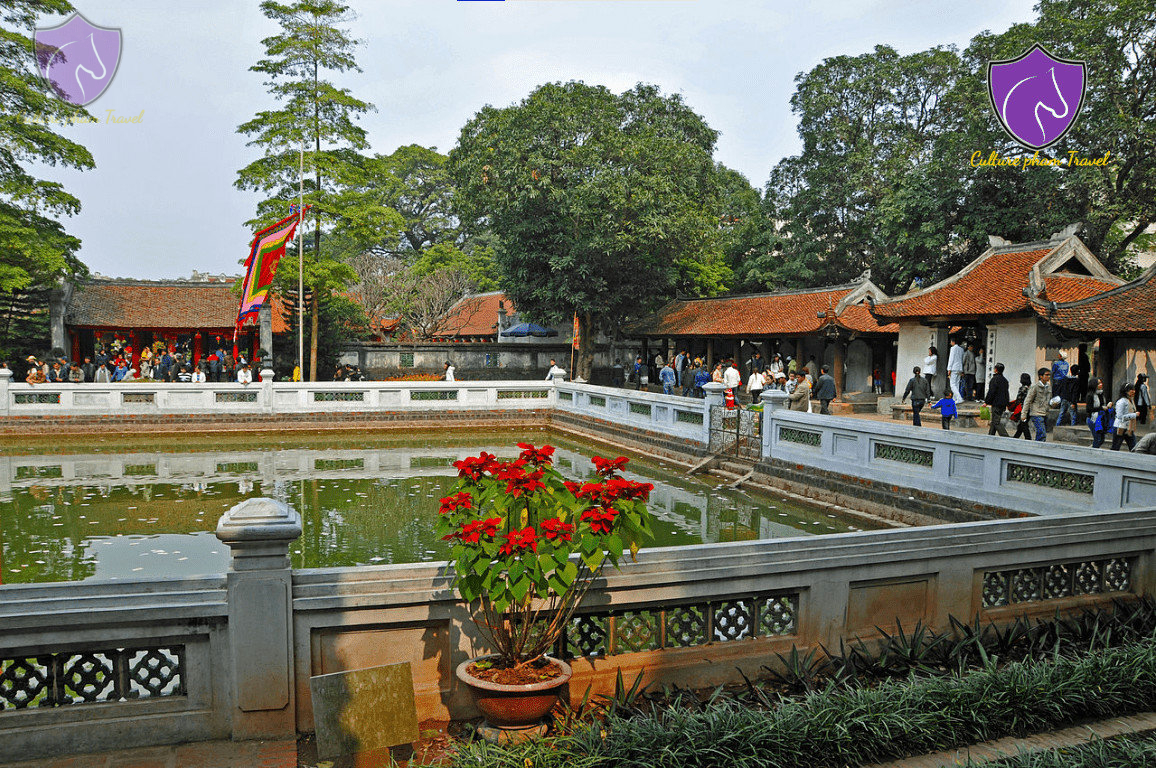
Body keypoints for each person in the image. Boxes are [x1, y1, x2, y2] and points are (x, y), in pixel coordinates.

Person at [1021, 368, 1053, 442]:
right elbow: (1027, 400)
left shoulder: (1048, 387)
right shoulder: (1035, 387)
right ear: (1041, 376)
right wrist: (1024, 414)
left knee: (1041, 433)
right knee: (1042, 433)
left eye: (1049, 375)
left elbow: (1049, 400)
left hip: (1045, 413)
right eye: (1046, 375)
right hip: (1036, 413)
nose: (1048, 377)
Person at [984, 362, 1010, 437]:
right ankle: (990, 436)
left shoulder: (994, 379)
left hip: (996, 403)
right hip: (1002, 404)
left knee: (996, 422)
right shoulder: (1005, 380)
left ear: (995, 370)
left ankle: (1005, 437)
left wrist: (986, 402)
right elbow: (1006, 393)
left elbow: (991, 392)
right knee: (994, 421)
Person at [1111, 384, 1138, 451]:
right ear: (1126, 391)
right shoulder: (1121, 402)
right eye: (1131, 390)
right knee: (1116, 446)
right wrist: (1134, 415)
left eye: (1134, 390)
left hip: (1129, 427)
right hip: (1120, 427)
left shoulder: (1131, 401)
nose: (1133, 392)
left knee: (1133, 446)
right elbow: (1120, 416)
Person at [1085, 377, 1110, 449]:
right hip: (1093, 419)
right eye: (1098, 383)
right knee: (1097, 438)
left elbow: (1103, 405)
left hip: (1101, 418)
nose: (1101, 384)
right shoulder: (1090, 395)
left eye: (1101, 383)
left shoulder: (1101, 394)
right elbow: (1089, 409)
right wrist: (1101, 408)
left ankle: (1092, 448)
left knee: (1101, 439)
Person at [946, 338, 964, 403]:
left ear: (953, 342)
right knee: (957, 384)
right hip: (960, 368)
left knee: (952, 384)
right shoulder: (961, 349)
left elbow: (951, 359)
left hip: (954, 367)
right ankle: (955, 398)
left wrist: (949, 368)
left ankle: (959, 398)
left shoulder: (953, 348)